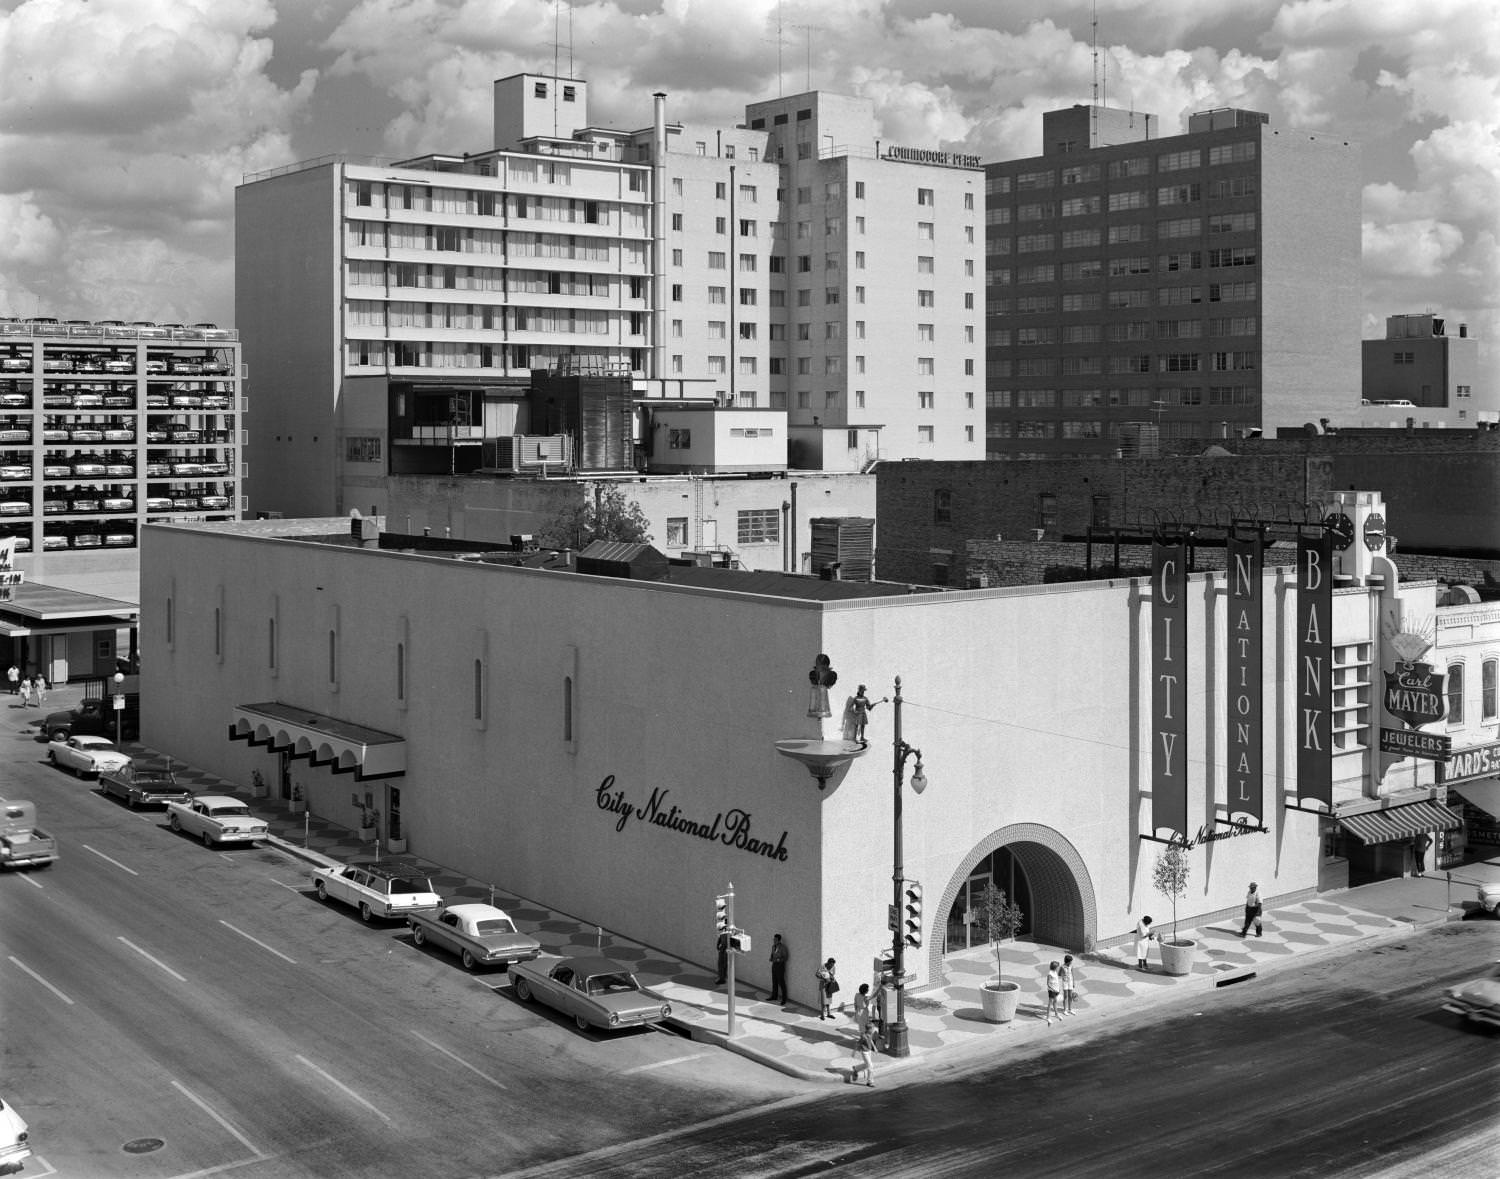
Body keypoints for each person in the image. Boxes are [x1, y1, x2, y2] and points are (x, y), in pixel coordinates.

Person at [849, 984, 876, 1086]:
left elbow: (855, 1004)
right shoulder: (865, 998)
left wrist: (856, 1012)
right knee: (865, 1033)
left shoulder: (857, 995)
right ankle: (870, 1081)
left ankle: (856, 1069)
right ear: (865, 991)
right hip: (864, 1013)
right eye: (867, 989)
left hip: (859, 1013)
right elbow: (870, 999)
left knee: (862, 1032)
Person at [768, 933, 789, 1004]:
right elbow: (772, 954)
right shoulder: (773, 946)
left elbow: (786, 957)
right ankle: (774, 996)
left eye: (775, 939)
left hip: (780, 966)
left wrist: (778, 960)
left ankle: (784, 999)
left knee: (781, 982)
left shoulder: (783, 947)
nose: (774, 941)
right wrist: (771, 958)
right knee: (774, 981)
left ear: (779, 940)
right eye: (773, 939)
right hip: (774, 965)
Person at [1045, 960, 1062, 1025]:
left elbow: (1056, 981)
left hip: (1056, 990)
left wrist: (1058, 989)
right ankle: (1048, 1017)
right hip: (1052, 991)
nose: (1058, 968)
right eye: (1057, 967)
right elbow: (1048, 984)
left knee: (1055, 1002)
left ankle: (1056, 1014)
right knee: (1050, 1004)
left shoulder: (1055, 972)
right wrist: (1053, 990)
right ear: (1055, 967)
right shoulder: (1050, 974)